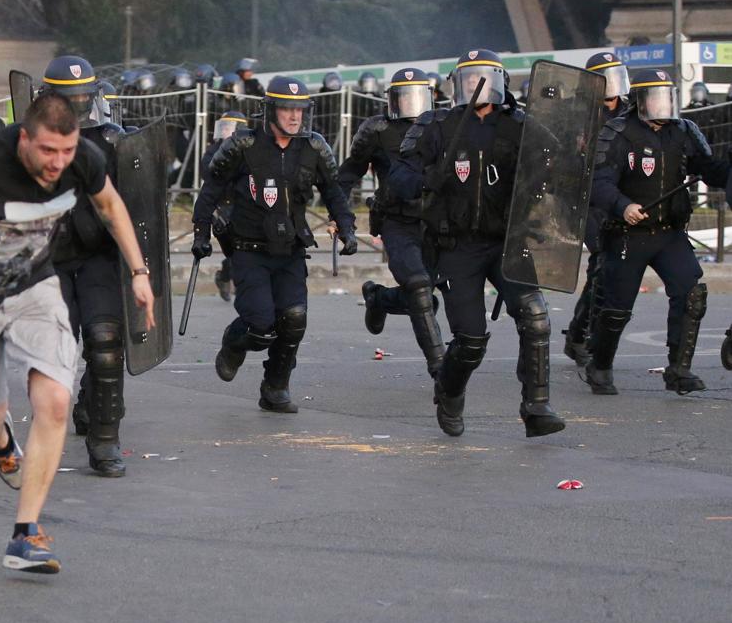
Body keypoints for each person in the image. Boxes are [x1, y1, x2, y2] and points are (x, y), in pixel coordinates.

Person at [0, 92, 155, 574]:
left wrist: (139, 272)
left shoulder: (81, 157)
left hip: (35, 287)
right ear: (24, 139)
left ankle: (26, 534)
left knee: (56, 400)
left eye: (66, 151)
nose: (58, 163)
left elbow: (111, 205)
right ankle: (1, 446)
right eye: (47, 152)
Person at [389, 49, 564, 439]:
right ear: (457, 84)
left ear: (500, 81)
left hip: (507, 241)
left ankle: (536, 406)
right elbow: (398, 180)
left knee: (535, 316)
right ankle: (449, 391)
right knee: (470, 340)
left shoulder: (520, 125)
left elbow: (557, 163)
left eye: (483, 77)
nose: (476, 84)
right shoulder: (435, 126)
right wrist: (427, 178)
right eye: (468, 78)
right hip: (458, 246)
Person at [192, 76, 358, 413]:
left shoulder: (313, 147)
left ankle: (276, 386)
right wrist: (200, 233)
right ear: (270, 110)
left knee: (294, 318)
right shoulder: (242, 145)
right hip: (249, 249)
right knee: (261, 325)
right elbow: (211, 189)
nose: (295, 117)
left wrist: (348, 228)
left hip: (291, 249)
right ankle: (233, 344)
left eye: (300, 110)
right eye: (287, 108)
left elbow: (334, 192)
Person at [585, 67, 732, 396]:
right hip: (628, 233)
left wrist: (727, 169)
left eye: (667, 97)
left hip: (669, 233)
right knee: (617, 308)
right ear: (639, 99)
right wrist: (623, 205)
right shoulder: (617, 132)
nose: (662, 105)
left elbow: (709, 169)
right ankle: (600, 364)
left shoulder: (684, 131)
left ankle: (679, 369)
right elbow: (599, 182)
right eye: (655, 97)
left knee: (691, 293)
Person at [42, 56, 135, 477]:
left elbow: (134, 206)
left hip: (99, 255)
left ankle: (104, 438)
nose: (78, 106)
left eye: (84, 97)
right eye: (69, 98)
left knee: (106, 341)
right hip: (50, 259)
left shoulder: (113, 141)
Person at [338, 67, 444, 379]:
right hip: (395, 220)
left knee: (429, 293)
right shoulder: (377, 129)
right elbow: (348, 173)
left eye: (417, 96)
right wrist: (339, 214)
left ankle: (379, 298)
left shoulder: (442, 124)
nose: (411, 104)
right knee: (419, 286)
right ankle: (440, 369)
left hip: (436, 221)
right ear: (391, 99)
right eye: (403, 96)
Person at [560, 52, 631, 367]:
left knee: (608, 268)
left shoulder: (632, 113)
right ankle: (583, 334)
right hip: (585, 199)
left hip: (619, 198)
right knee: (602, 260)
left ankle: (579, 331)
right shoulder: (575, 112)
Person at [199, 110, 249, 302]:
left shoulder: (247, 149)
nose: (225, 130)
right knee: (235, 247)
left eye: (230, 127)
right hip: (223, 204)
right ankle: (231, 279)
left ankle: (230, 278)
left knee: (243, 247)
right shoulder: (214, 149)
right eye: (224, 127)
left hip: (242, 202)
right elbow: (207, 170)